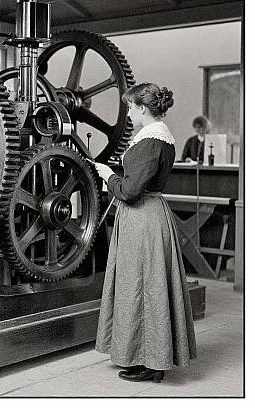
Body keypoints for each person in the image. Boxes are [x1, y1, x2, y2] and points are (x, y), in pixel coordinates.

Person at [92, 82, 196, 383]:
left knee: (143, 288)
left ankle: (153, 361)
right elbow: (138, 178)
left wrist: (108, 177)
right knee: (144, 287)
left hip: (143, 218)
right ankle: (146, 355)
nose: (127, 113)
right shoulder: (158, 137)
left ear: (142, 108)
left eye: (129, 107)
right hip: (149, 214)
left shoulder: (151, 141)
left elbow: (131, 190)